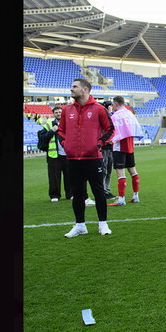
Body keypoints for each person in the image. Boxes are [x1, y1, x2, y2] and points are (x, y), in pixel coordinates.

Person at [58, 78, 114, 237]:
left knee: (99, 191)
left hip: (93, 158)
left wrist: (99, 143)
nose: (71, 89)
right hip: (73, 158)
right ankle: (80, 225)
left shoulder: (98, 109)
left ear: (85, 89)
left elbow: (110, 129)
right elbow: (61, 131)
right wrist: (65, 144)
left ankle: (103, 224)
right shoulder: (66, 110)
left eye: (74, 87)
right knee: (78, 193)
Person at [108, 96, 143, 206]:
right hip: (130, 146)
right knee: (133, 171)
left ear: (116, 104)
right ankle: (136, 195)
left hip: (119, 147)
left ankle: (121, 198)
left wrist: (109, 140)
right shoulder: (130, 113)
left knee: (120, 173)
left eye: (113, 105)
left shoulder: (116, 116)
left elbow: (112, 131)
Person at [44, 105, 72, 202]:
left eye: (60, 112)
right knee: (54, 177)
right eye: (56, 112)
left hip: (68, 153)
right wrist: (52, 131)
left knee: (69, 175)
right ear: (53, 114)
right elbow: (43, 138)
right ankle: (54, 195)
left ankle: (70, 194)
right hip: (54, 155)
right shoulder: (49, 124)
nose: (58, 114)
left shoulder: (69, 123)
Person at [99, 100, 116, 201]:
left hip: (111, 148)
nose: (111, 108)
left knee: (108, 171)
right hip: (104, 148)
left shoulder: (111, 118)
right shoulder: (102, 119)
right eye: (109, 106)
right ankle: (103, 191)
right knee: (104, 171)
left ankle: (107, 190)